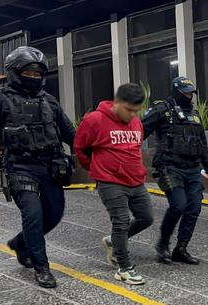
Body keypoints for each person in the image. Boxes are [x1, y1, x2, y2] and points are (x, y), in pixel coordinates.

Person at [0, 46, 75, 288]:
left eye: (38, 73)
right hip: (20, 166)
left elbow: (70, 133)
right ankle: (41, 267)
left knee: (54, 214)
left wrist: (94, 152)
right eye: (28, 73)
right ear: (14, 72)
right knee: (33, 214)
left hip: (51, 165)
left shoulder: (49, 101)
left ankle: (21, 243)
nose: (34, 77)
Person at [74, 83, 153, 285]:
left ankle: (112, 241)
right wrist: (96, 169)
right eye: (128, 110)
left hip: (135, 180)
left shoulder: (136, 122)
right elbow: (80, 148)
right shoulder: (94, 120)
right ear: (117, 103)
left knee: (146, 218)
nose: (132, 115)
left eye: (136, 111)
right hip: (109, 180)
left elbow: (134, 149)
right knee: (121, 221)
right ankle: (124, 268)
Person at [142, 76, 208, 265]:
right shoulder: (161, 110)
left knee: (194, 208)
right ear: (176, 91)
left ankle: (181, 248)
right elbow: (139, 133)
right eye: (186, 92)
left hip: (192, 168)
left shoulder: (195, 114)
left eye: (191, 92)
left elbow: (202, 143)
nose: (190, 96)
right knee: (178, 205)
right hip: (169, 166)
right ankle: (162, 244)